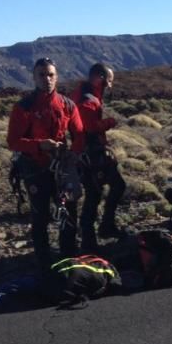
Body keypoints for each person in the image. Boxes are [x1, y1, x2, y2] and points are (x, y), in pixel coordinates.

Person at [7, 57, 85, 272]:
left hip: (61, 169)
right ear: (34, 77)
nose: (47, 79)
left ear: (56, 77)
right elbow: (13, 141)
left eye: (50, 74)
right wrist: (39, 145)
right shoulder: (24, 107)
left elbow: (79, 134)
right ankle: (44, 263)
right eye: (41, 75)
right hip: (35, 168)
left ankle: (69, 260)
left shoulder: (68, 104)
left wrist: (73, 155)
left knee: (68, 211)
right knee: (40, 215)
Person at [73, 62, 127, 252]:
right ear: (100, 78)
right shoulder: (88, 100)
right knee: (95, 194)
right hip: (91, 155)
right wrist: (109, 123)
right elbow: (89, 127)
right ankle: (92, 238)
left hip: (89, 153)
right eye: (109, 81)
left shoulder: (85, 94)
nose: (110, 85)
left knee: (104, 190)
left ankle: (101, 230)